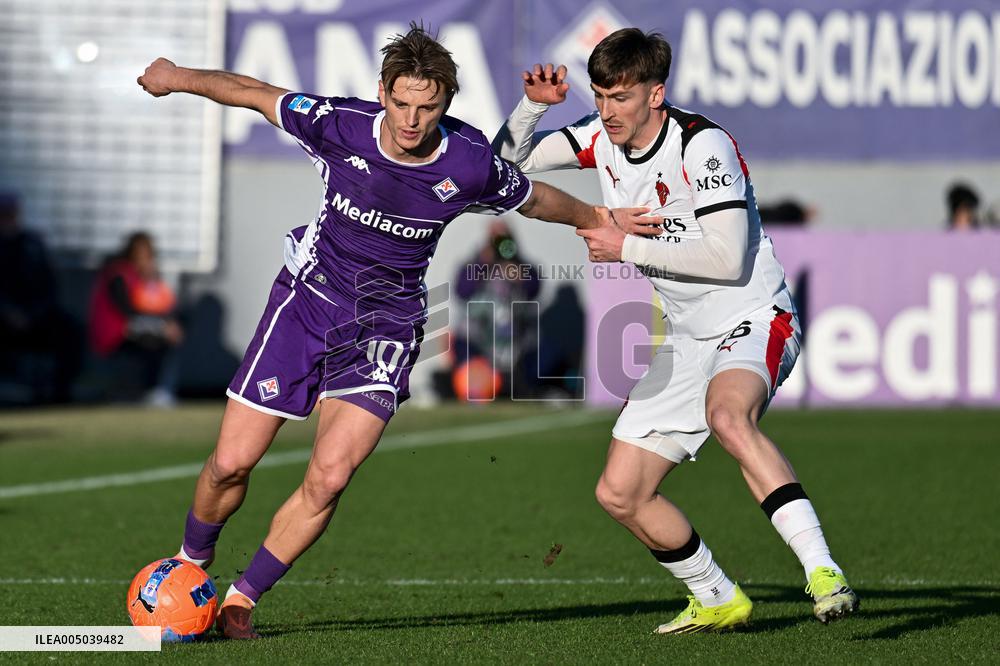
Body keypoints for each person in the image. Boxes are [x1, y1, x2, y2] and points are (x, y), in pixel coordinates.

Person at [136, 24, 603, 639]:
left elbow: (533, 198)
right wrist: (174, 77)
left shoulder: (465, 162)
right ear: (382, 93)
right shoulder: (339, 125)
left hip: (386, 326)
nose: (412, 119)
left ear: (446, 105)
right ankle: (190, 566)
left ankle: (242, 599)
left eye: (428, 107)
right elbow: (250, 90)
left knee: (329, 477)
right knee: (230, 465)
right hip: (305, 306)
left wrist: (596, 218)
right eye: (402, 102)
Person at [493, 28, 858, 633]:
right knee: (620, 492)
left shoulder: (701, 145)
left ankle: (823, 572)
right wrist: (532, 107)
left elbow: (726, 260)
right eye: (601, 95)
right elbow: (503, 165)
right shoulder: (596, 135)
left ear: (655, 93)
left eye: (621, 97)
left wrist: (625, 245)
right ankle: (716, 595)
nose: (607, 110)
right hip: (688, 337)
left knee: (728, 416)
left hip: (753, 314)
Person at [0, 194, 82, 403]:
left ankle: (59, 393)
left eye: (11, 213)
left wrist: (33, 314)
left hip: (36, 316)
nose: (8, 218)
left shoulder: (33, 244)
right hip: (4, 319)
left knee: (70, 329)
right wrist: (8, 312)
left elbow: (49, 285)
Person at [89, 232, 183, 406]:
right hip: (114, 332)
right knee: (161, 336)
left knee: (173, 330)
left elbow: (163, 304)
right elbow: (128, 312)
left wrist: (152, 281)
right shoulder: (118, 274)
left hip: (131, 326)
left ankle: (162, 389)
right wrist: (163, 325)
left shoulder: (141, 277)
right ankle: (156, 390)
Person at [453, 219, 541, 398]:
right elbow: (461, 291)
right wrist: (483, 263)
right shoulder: (475, 264)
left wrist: (518, 275)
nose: (500, 243)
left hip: (512, 338)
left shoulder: (521, 266)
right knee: (476, 385)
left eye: (504, 237)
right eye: (495, 238)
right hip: (476, 337)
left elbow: (534, 291)